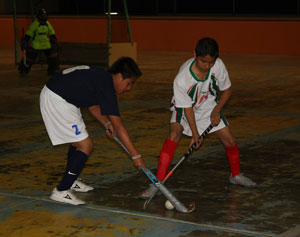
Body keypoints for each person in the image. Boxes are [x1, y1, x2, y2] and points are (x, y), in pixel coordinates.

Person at [140, 37, 256, 199]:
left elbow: (227, 90)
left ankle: (235, 175)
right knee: (174, 133)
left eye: (211, 63)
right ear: (195, 54)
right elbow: (187, 109)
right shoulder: (182, 79)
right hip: (186, 107)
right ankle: (158, 183)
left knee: (229, 140)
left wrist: (216, 110)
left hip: (209, 104)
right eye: (203, 62)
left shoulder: (219, 65)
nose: (207, 66)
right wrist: (196, 135)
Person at [40, 57, 146, 205]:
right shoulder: (106, 87)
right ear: (119, 76)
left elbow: (93, 107)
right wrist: (136, 156)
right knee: (85, 145)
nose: (129, 89)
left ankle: (70, 181)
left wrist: (106, 123)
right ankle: (61, 190)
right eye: (129, 84)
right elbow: (120, 126)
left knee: (79, 142)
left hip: (64, 98)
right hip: (57, 99)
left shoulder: (101, 78)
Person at [18, 8, 60, 76]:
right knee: (29, 58)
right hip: (36, 44)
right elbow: (29, 33)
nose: (44, 17)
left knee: (53, 56)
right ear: (39, 16)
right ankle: (23, 70)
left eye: (45, 15)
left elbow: (51, 32)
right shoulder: (35, 24)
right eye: (42, 15)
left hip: (46, 44)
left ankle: (53, 70)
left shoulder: (47, 23)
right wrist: (25, 41)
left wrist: (55, 41)